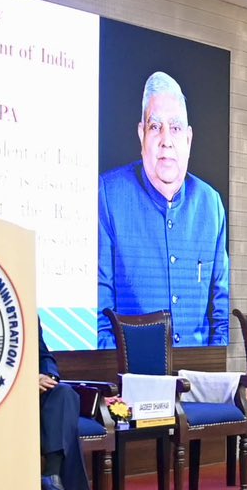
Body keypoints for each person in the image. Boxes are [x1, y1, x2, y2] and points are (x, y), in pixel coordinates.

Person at [95, 72, 229, 348]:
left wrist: (213, 369)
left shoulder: (210, 204)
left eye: (176, 128)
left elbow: (220, 307)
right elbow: (100, 308)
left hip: (199, 378)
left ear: (189, 140)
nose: (166, 139)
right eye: (156, 127)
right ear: (141, 134)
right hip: (132, 379)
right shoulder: (108, 195)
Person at [37, 338, 94, 490]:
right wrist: (29, 380)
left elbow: (44, 355)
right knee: (66, 429)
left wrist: (47, 376)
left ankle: (51, 476)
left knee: (65, 393)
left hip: (38, 393)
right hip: (6, 395)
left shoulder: (28, 316)